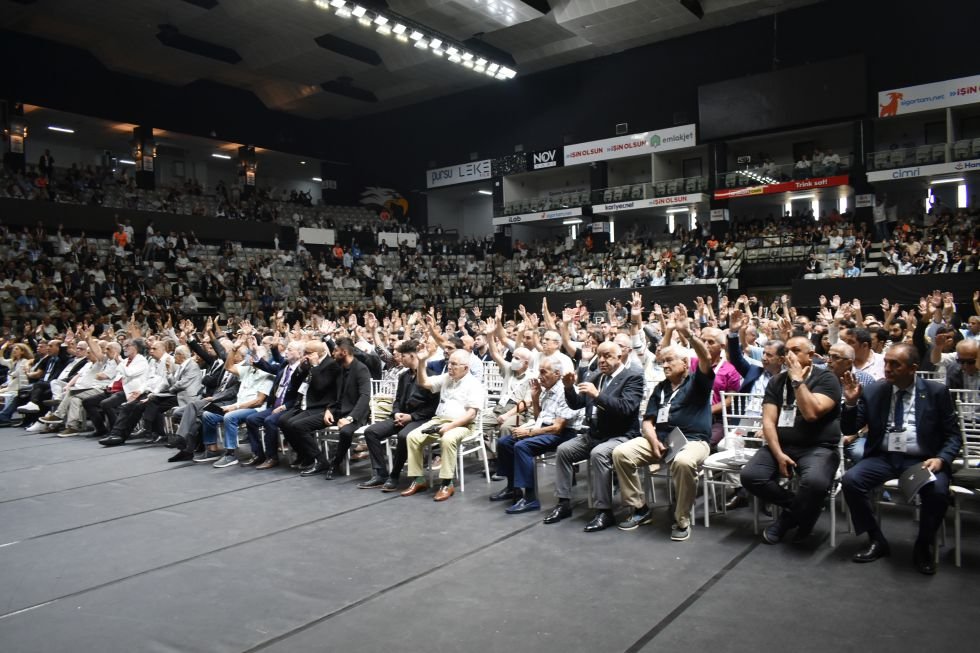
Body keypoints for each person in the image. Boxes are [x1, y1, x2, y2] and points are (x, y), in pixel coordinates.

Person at [840, 344, 962, 575]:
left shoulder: (936, 392)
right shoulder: (875, 390)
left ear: (913, 368)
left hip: (924, 459)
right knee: (851, 481)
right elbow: (850, 427)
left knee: (937, 492)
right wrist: (850, 403)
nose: (887, 368)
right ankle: (876, 539)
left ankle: (923, 544)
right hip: (884, 457)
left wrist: (941, 459)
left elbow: (953, 436)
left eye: (895, 364)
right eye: (886, 362)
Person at [612, 318, 713, 541]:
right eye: (662, 361)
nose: (664, 365)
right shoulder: (661, 388)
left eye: (670, 361)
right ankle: (640, 508)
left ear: (685, 363)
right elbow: (648, 421)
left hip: (694, 441)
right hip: (662, 439)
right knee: (622, 453)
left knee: (684, 462)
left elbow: (706, 358)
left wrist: (690, 335)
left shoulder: (698, 383)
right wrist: (654, 439)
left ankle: (682, 519)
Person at [740, 336, 842, 544]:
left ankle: (786, 520)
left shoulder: (827, 379)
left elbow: (812, 413)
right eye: (787, 351)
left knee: (814, 483)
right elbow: (768, 422)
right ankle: (804, 507)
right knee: (751, 476)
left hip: (818, 447)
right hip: (783, 445)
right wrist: (778, 454)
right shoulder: (777, 381)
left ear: (811, 356)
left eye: (796, 350)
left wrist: (797, 381)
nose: (790, 355)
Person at [543, 341, 644, 532]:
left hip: (621, 435)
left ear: (620, 356)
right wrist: (568, 387)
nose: (602, 360)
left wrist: (597, 396)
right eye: (600, 356)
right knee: (564, 450)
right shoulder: (596, 376)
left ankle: (604, 511)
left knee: (599, 454)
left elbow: (625, 408)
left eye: (608, 356)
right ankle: (563, 503)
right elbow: (576, 404)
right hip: (595, 433)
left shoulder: (632, 377)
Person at [489, 356, 583, 514]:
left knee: (522, 446)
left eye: (543, 372)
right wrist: (534, 397)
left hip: (565, 434)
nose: (539, 376)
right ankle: (513, 488)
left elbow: (558, 428)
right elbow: (539, 418)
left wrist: (529, 432)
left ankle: (530, 498)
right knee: (505, 442)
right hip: (545, 430)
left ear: (557, 373)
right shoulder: (546, 390)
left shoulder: (566, 391)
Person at [401, 348, 485, 502]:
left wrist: (450, 426)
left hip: (463, 425)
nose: (450, 367)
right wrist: (421, 363)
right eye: (449, 363)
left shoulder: (474, 384)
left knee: (448, 439)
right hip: (439, 420)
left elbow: (471, 414)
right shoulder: (447, 377)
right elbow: (424, 382)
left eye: (454, 364)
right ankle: (419, 479)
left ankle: (447, 483)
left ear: (465, 368)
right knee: (412, 437)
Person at [358, 339, 438, 491]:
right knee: (371, 432)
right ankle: (380, 474)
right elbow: (398, 399)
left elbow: (433, 407)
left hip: (421, 419)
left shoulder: (431, 377)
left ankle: (394, 476)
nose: (400, 359)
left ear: (413, 356)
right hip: (401, 416)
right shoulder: (404, 376)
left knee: (403, 435)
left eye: (403, 356)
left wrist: (411, 417)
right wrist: (396, 413)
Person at [321, 338, 372, 478]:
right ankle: (318, 460)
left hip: (356, 413)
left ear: (344, 352)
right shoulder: (340, 368)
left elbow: (364, 397)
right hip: (337, 411)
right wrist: (328, 410)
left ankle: (335, 463)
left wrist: (350, 418)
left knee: (345, 432)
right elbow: (334, 395)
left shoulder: (361, 369)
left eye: (336, 351)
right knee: (301, 424)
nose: (333, 353)